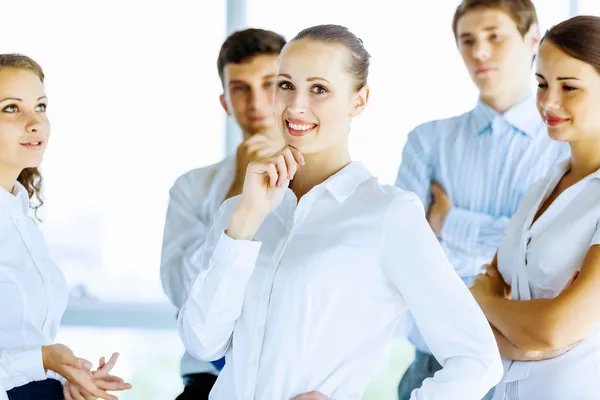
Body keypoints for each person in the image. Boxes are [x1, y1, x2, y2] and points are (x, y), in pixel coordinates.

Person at [178, 24, 503, 400]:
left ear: (359, 101)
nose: (297, 105)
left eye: (319, 89)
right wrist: (246, 221)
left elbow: (477, 360)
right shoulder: (241, 210)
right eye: (285, 85)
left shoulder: (387, 215)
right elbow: (203, 343)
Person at [395, 1, 569, 398]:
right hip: (434, 366)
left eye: (495, 37)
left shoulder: (567, 147)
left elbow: (546, 255)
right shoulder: (427, 141)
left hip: (537, 369)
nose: (480, 53)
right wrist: (509, 236)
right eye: (468, 41)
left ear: (532, 40)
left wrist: (448, 224)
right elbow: (407, 257)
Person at [471, 15, 600, 399]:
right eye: (542, 84)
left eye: (569, 87)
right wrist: (517, 338)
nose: (548, 101)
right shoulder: (545, 184)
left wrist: (482, 301)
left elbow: (555, 328)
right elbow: (492, 277)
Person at [160, 28, 286, 400]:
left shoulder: (324, 186)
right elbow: (185, 294)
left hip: (295, 384)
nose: (257, 102)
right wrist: (237, 198)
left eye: (271, 84)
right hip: (206, 385)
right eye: (241, 88)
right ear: (225, 101)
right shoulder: (192, 188)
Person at [0, 54, 131, 400]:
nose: (35, 122)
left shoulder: (21, 217)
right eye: (11, 108)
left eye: (40, 106)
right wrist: (42, 359)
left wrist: (66, 386)